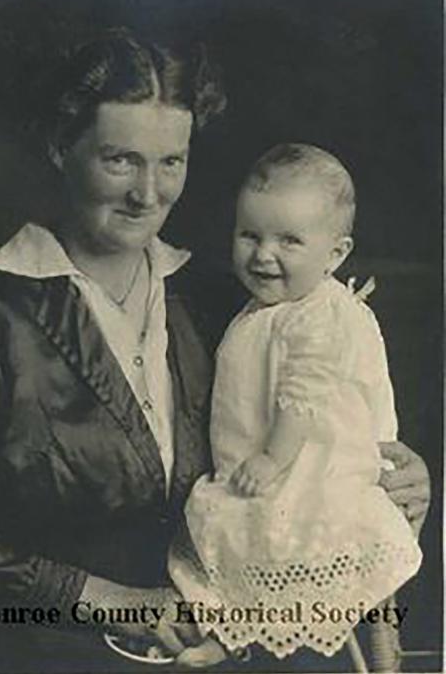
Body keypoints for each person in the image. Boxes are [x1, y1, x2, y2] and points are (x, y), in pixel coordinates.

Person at [0, 33, 431, 673]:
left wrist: (397, 475)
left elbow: (319, 413)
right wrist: (108, 601)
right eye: (120, 161)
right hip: (45, 654)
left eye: (171, 162)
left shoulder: (230, 301)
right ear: (60, 148)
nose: (149, 193)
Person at [168, 144, 422, 667]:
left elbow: (302, 396)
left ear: (335, 254)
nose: (264, 255)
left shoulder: (317, 315)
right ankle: (232, 632)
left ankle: (371, 648)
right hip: (262, 470)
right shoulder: (264, 310)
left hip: (307, 473)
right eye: (249, 235)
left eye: (289, 240)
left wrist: (271, 459)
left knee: (280, 544)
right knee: (231, 544)